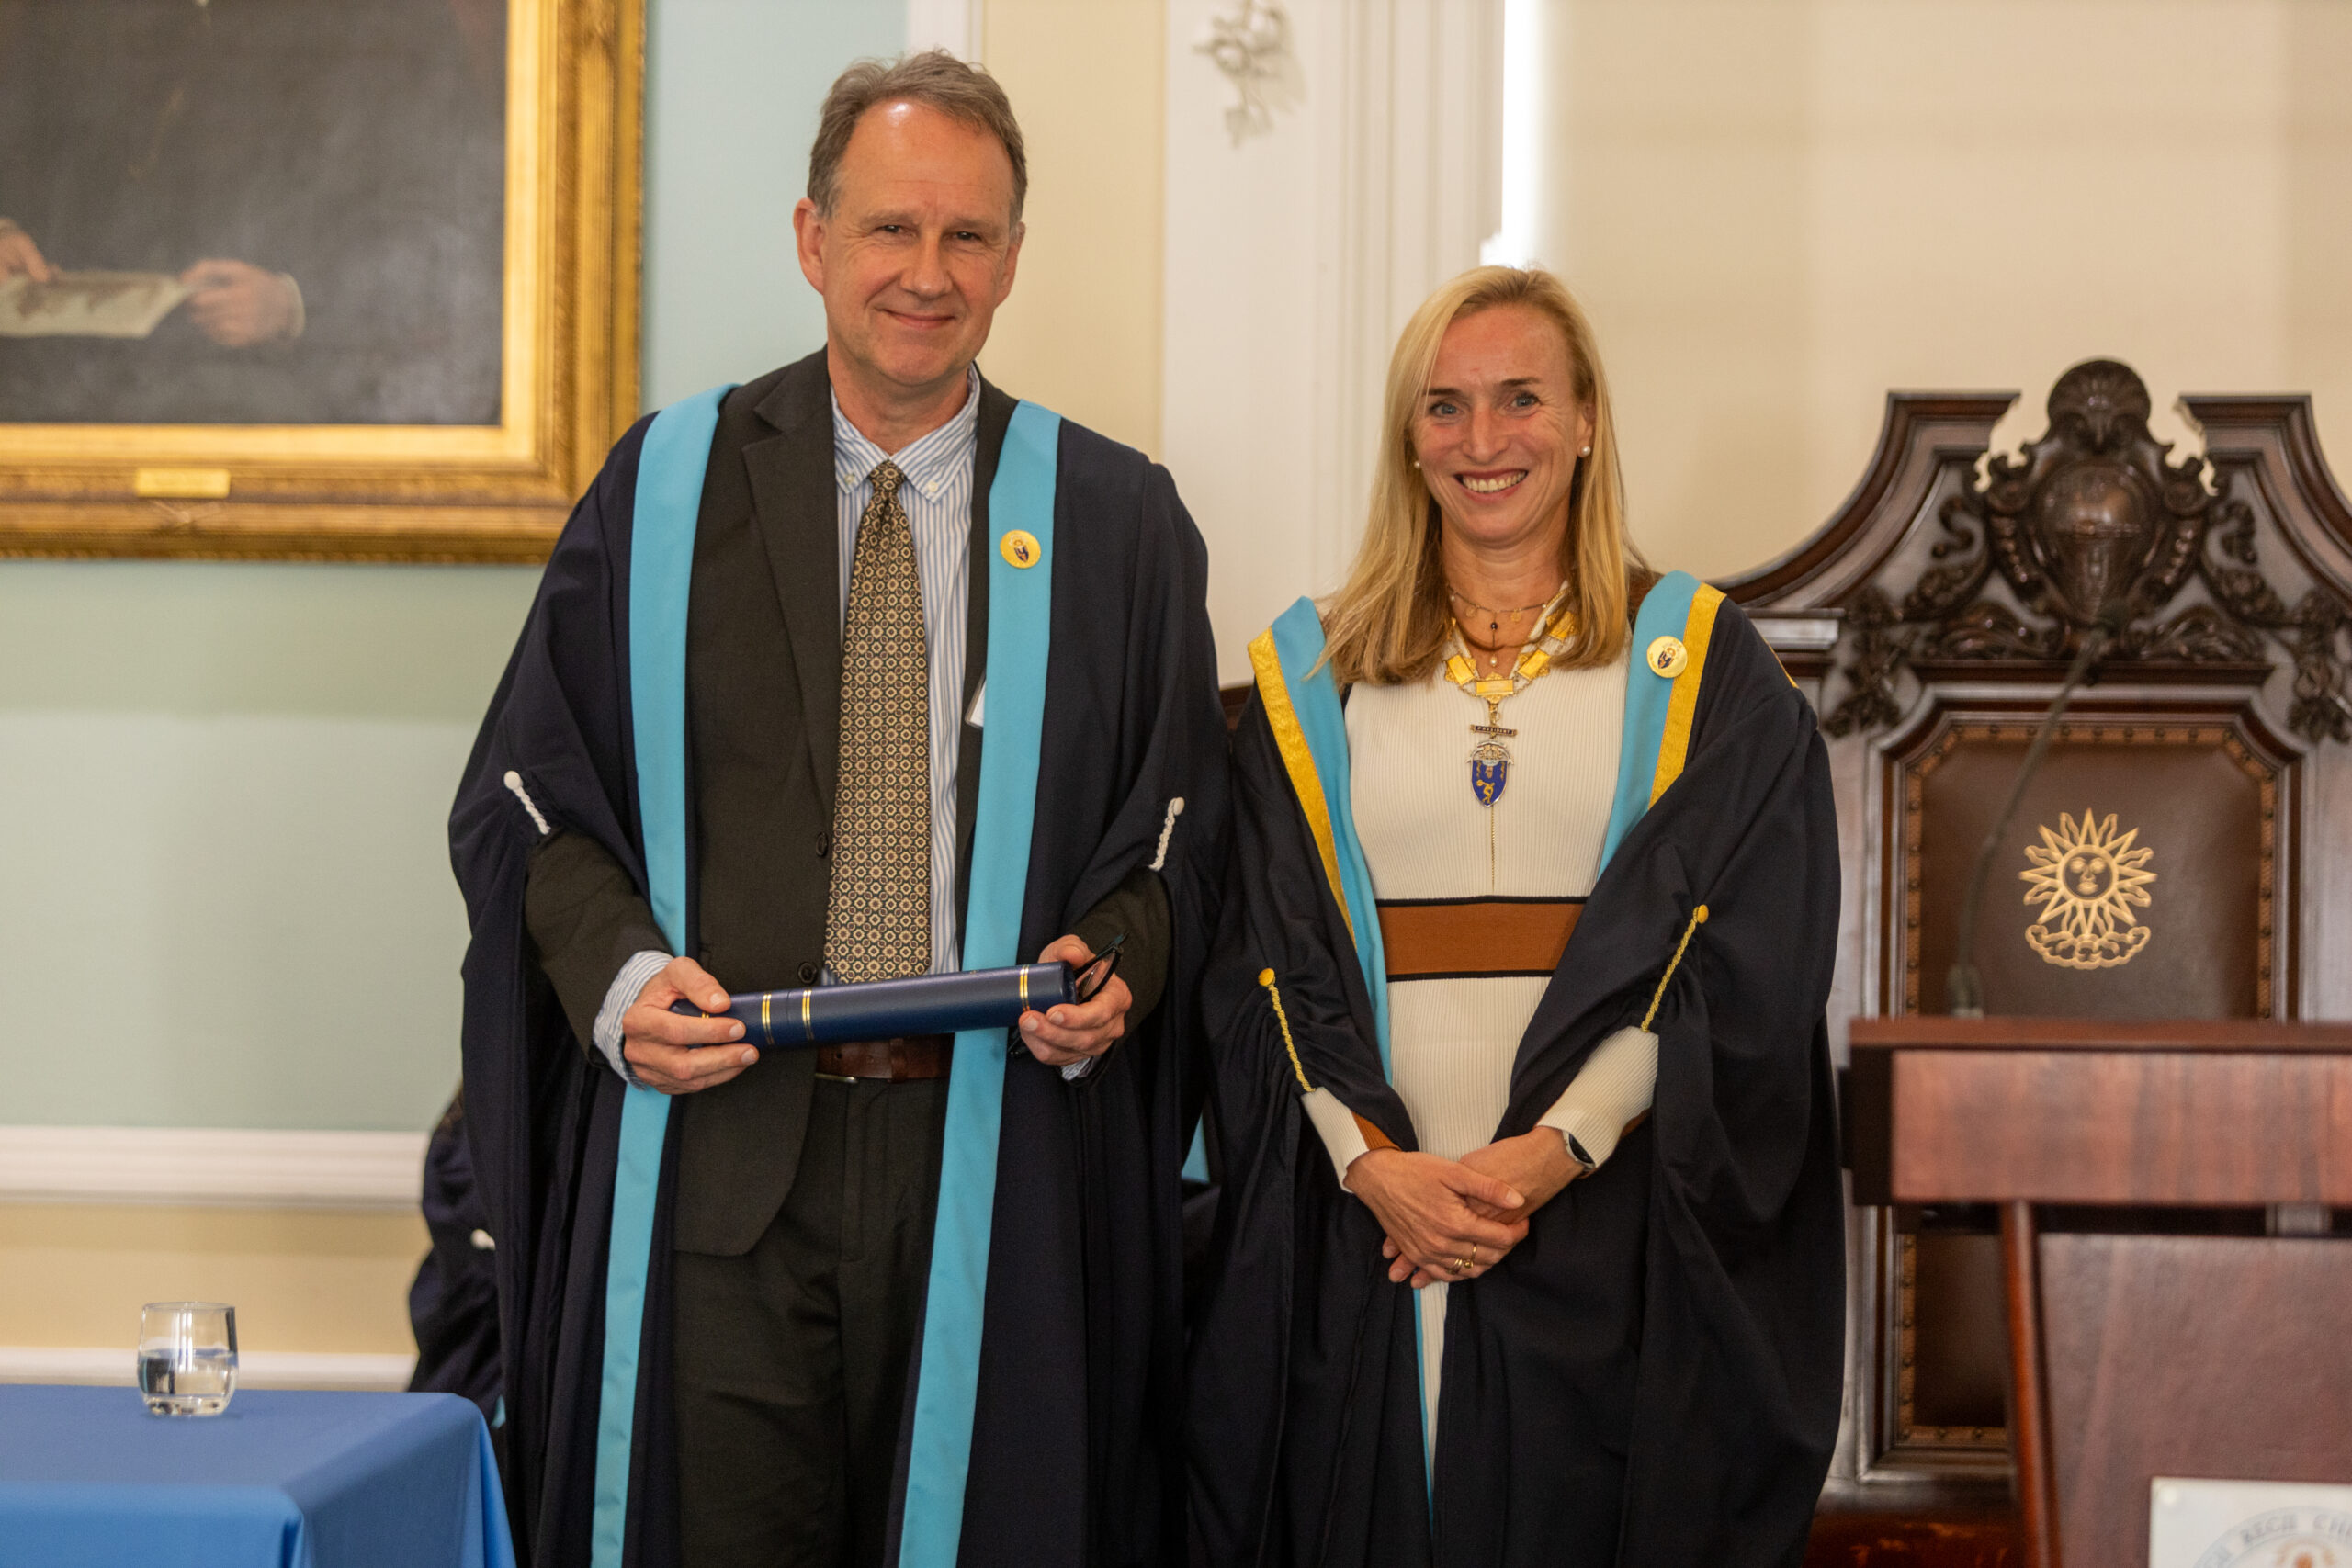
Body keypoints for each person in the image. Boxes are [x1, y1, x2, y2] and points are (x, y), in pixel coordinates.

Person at [449, 51, 1227, 1568]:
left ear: (1013, 259)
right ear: (814, 239)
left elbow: (1180, 827)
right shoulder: (665, 490)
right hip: (722, 1170)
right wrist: (620, 980)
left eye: (967, 236)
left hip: (997, 1160)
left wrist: (1123, 957)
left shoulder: (1117, 519)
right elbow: (532, 800)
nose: (927, 274)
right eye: (890, 229)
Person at [1188, 265, 1843, 1566]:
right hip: (1366, 1200)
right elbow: (1259, 951)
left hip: (1609, 1194)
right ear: (1408, 436)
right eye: (1445, 406)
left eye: (1521, 400)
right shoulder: (1313, 674)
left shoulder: (1701, 665)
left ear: (1587, 419)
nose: (1483, 439)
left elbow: (1741, 960)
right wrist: (1375, 1166)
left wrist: (1556, 1150)